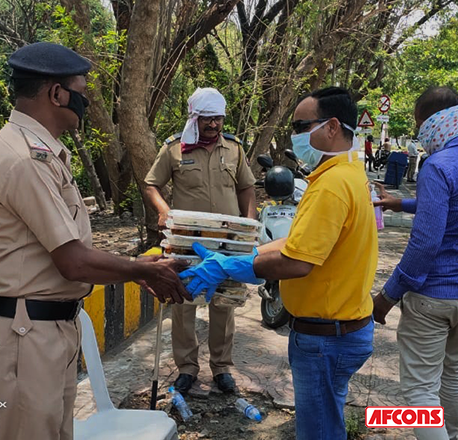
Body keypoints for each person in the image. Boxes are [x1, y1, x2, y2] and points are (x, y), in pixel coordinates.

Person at [0, 42, 190, 440]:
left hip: (49, 330)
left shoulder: (46, 155)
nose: (85, 103)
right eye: (82, 93)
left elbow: (72, 249)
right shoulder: (23, 160)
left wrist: (134, 269)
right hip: (26, 335)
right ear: (57, 94)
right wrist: (142, 269)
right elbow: (73, 262)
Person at [179, 87, 378, 440]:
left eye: (302, 126)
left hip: (325, 338)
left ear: (331, 126)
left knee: (317, 432)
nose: (295, 135)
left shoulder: (331, 185)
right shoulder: (349, 171)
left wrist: (229, 267)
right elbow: (301, 243)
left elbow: (298, 262)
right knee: (328, 424)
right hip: (343, 328)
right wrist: (247, 256)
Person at [144, 87, 257, 395]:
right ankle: (187, 368)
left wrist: (250, 224)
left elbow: (247, 188)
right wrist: (163, 211)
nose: (213, 125)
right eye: (207, 119)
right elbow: (151, 184)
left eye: (218, 118)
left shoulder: (234, 149)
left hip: (226, 242)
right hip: (186, 242)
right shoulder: (175, 149)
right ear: (195, 117)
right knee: (183, 302)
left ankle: (221, 367)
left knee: (224, 301)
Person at [373, 85, 458, 440]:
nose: (421, 136)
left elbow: (425, 243)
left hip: (432, 297)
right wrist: (401, 204)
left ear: (432, 122)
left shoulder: (437, 165)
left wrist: (388, 296)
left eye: (420, 126)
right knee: (453, 377)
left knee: (420, 392)